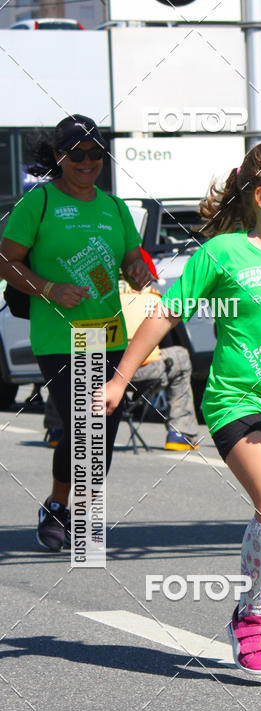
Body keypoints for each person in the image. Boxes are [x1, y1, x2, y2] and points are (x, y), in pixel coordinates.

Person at [102, 138, 261, 673]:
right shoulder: (222, 255)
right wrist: (120, 377)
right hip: (238, 403)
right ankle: (249, 621)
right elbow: (166, 314)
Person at [0, 114, 150, 551]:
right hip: (60, 336)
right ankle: (69, 510)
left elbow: (131, 262)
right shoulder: (40, 202)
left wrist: (138, 271)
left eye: (95, 153)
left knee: (102, 429)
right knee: (85, 424)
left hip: (109, 333)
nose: (87, 161)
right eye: (76, 153)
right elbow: (6, 262)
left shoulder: (115, 207)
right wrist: (49, 288)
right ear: (59, 156)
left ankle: (65, 508)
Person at [120, 283, 200, 450]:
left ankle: (59, 430)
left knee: (68, 358)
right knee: (180, 356)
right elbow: (165, 341)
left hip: (102, 371)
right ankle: (180, 434)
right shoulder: (152, 295)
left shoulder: (97, 295)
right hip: (145, 369)